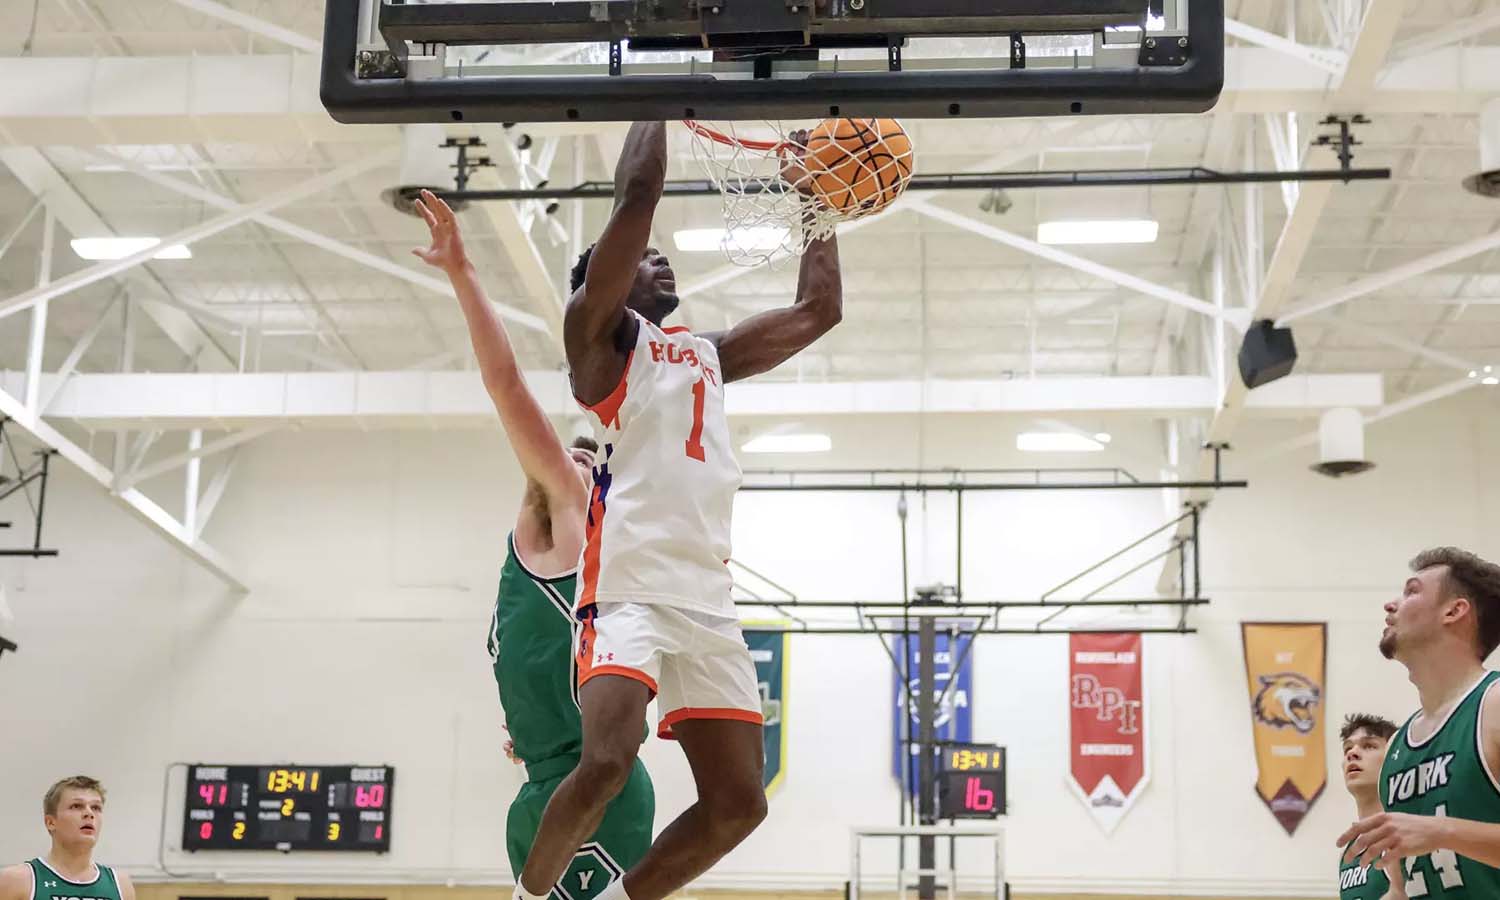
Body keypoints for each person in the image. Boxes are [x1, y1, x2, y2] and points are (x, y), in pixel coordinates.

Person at [512, 121, 842, 900]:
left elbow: (817, 311)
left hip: (706, 597)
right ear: (603, 283)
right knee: (606, 763)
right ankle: (527, 898)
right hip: (628, 586)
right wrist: (657, 93)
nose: (657, 258)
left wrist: (821, 206)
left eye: (660, 255)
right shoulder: (595, 345)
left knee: (739, 804)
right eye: (639, 257)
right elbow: (639, 192)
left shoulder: (704, 355)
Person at [412, 190, 654, 898]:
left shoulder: (575, 518)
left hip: (587, 791)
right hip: (545, 788)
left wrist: (463, 273)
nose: (567, 461)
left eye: (582, 459)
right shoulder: (536, 562)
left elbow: (504, 383)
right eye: (568, 456)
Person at [1340, 547, 1500, 896]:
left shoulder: (1493, 704)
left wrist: (1443, 832)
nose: (1391, 605)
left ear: (1454, 611)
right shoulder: (1398, 746)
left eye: (1411, 591)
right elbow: (1401, 889)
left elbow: (1436, 833)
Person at [0, 777, 135, 900]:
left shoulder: (121, 885)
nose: (89, 813)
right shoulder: (17, 880)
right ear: (50, 822)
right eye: (76, 806)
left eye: (96, 807)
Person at [1338, 714, 1406, 900]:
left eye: (1369, 745)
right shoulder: (1349, 851)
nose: (1352, 753)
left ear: (1394, 758)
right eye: (1347, 748)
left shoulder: (1403, 834)